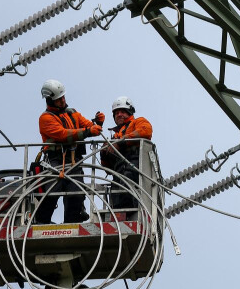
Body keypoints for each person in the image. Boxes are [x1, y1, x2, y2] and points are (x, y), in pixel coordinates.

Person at [33, 79, 105, 224]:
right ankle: (42, 221)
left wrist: (98, 124)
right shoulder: (45, 118)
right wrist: (88, 131)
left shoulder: (73, 114)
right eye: (59, 99)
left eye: (63, 97)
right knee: (52, 191)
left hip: (74, 160)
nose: (63, 100)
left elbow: (90, 127)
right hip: (55, 161)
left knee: (76, 192)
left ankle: (72, 222)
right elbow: (63, 134)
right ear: (50, 100)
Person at [99, 96, 153, 219]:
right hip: (119, 171)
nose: (119, 115)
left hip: (134, 165)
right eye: (116, 113)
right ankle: (119, 216)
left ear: (129, 112)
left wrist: (121, 142)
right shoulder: (114, 136)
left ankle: (129, 215)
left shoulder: (137, 122)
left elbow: (146, 131)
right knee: (116, 190)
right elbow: (107, 168)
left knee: (127, 183)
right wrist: (104, 153)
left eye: (122, 111)